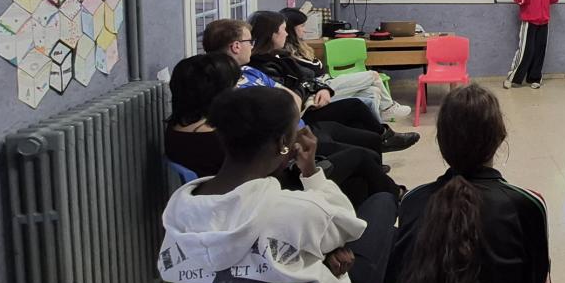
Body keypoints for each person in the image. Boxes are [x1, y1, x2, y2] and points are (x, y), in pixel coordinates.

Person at [157, 87, 396, 283]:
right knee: (383, 207)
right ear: (284, 142)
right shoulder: (293, 210)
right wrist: (311, 172)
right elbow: (348, 224)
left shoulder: (179, 209)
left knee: (336, 245)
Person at [388, 85, 559, 283]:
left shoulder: (412, 202)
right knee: (544, 276)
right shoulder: (527, 205)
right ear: (500, 138)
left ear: (442, 144)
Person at [165, 54, 403, 208]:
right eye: (233, 84)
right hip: (269, 192)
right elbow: (270, 164)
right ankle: (394, 199)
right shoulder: (222, 134)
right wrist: (291, 147)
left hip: (246, 189)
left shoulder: (179, 128)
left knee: (361, 175)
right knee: (360, 157)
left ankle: (385, 196)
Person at [218, 13, 418, 153]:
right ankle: (385, 131)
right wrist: (315, 89)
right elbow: (291, 93)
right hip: (306, 110)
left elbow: (306, 78)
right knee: (370, 83)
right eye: (283, 30)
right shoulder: (261, 65)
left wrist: (319, 87)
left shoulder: (279, 56)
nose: (287, 33)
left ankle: (382, 139)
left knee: (369, 94)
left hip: (316, 93)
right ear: (272, 35)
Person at [281, 7, 410, 121]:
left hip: (326, 81)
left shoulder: (301, 47)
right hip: (320, 88)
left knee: (374, 91)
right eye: (302, 26)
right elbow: (311, 73)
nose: (305, 30)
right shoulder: (287, 53)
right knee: (373, 75)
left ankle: (379, 128)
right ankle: (388, 108)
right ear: (291, 29)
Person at [505, 0, 560, 90]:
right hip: (529, 22)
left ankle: (534, 78)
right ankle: (513, 78)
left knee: (539, 51)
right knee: (526, 51)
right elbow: (518, 0)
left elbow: (551, 1)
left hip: (544, 23)